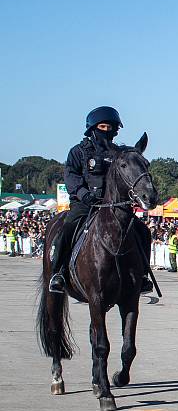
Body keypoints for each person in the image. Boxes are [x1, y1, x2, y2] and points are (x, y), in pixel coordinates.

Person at [48, 106, 153, 294]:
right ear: (93, 128)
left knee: (143, 231)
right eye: (103, 127)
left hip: (113, 205)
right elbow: (71, 177)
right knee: (67, 228)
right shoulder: (79, 152)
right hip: (85, 203)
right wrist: (84, 195)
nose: (107, 131)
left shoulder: (120, 153)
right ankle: (59, 272)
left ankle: (142, 276)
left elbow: (129, 175)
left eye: (111, 127)